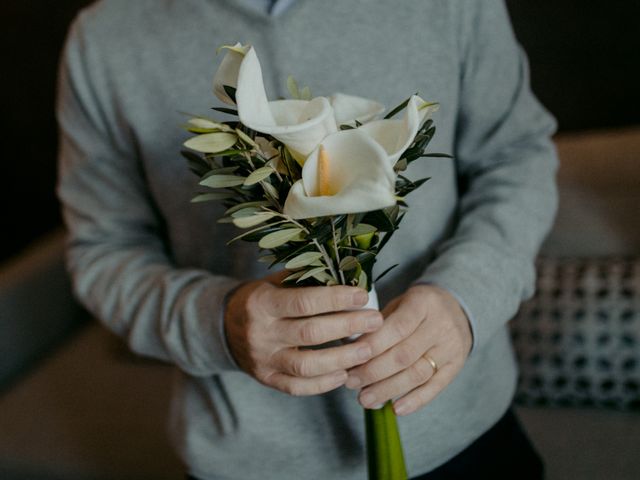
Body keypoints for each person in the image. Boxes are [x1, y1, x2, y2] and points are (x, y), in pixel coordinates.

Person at [57, 0, 557, 478]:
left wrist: (465, 298)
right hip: (247, 464)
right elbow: (103, 252)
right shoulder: (103, 39)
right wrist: (215, 322)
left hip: (465, 437)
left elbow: (516, 157)